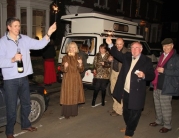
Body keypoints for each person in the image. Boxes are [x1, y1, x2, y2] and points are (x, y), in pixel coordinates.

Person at [0, 17, 56, 138]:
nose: (18, 28)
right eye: (15, 26)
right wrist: (13, 59)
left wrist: (48, 33)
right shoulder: (2, 42)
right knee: (11, 106)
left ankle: (25, 124)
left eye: (19, 26)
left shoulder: (24, 39)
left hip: (24, 78)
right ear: (8, 27)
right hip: (10, 80)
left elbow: (39, 45)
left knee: (26, 103)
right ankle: (9, 132)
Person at [106, 37, 155, 138]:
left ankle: (129, 132)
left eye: (136, 48)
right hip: (126, 90)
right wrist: (110, 44)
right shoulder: (127, 56)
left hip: (137, 92)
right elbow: (117, 54)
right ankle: (129, 126)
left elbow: (152, 75)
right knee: (126, 111)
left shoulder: (146, 60)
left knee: (135, 113)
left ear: (141, 49)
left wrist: (144, 75)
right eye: (132, 47)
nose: (134, 49)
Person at [149, 38, 179, 133]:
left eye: (168, 45)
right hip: (157, 84)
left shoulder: (176, 58)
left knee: (165, 107)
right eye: (164, 46)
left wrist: (165, 71)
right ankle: (159, 120)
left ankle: (167, 125)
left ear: (172, 46)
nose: (165, 47)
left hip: (167, 86)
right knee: (157, 105)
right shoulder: (162, 56)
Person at [60, 42, 85, 119]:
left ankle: (73, 112)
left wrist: (80, 64)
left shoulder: (79, 57)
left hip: (76, 79)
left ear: (76, 49)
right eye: (71, 47)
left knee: (74, 95)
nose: (72, 49)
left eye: (74, 47)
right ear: (68, 48)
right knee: (67, 95)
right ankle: (66, 113)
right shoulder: (65, 57)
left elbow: (81, 70)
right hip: (67, 79)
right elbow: (62, 69)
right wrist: (65, 66)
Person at [108, 38, 128, 116]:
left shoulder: (127, 52)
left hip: (121, 73)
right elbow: (110, 60)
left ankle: (119, 110)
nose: (119, 46)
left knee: (118, 92)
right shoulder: (113, 50)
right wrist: (109, 60)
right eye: (117, 44)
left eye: (120, 44)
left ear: (123, 43)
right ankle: (115, 107)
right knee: (113, 91)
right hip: (113, 72)